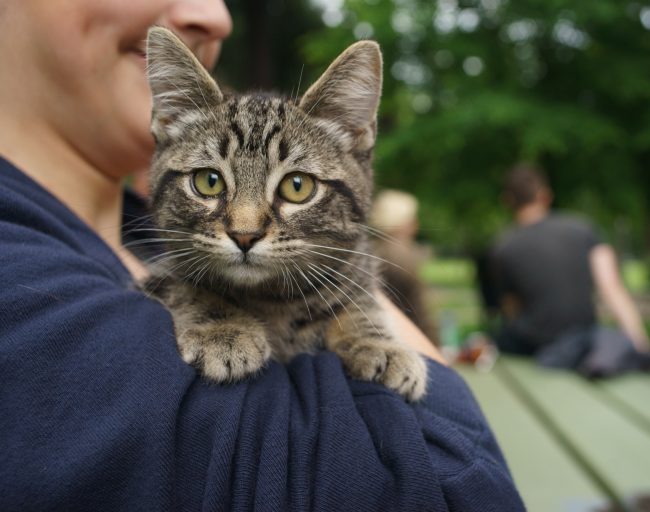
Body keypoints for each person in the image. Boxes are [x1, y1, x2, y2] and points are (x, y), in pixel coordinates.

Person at [0, 1, 526, 510]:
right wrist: (200, 304)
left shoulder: (126, 235)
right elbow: (459, 491)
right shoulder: (23, 286)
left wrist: (359, 324)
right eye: (210, 181)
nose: (245, 227)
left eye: (295, 186)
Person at [489, 165, 650, 377]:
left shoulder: (502, 248)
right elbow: (612, 288)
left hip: (534, 347)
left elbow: (511, 310)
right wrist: (641, 347)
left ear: (506, 200)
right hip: (581, 341)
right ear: (545, 196)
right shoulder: (583, 228)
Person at [370, 189, 440, 345]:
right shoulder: (402, 258)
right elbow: (421, 314)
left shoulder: (370, 251)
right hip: (410, 342)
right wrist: (436, 350)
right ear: (405, 223)